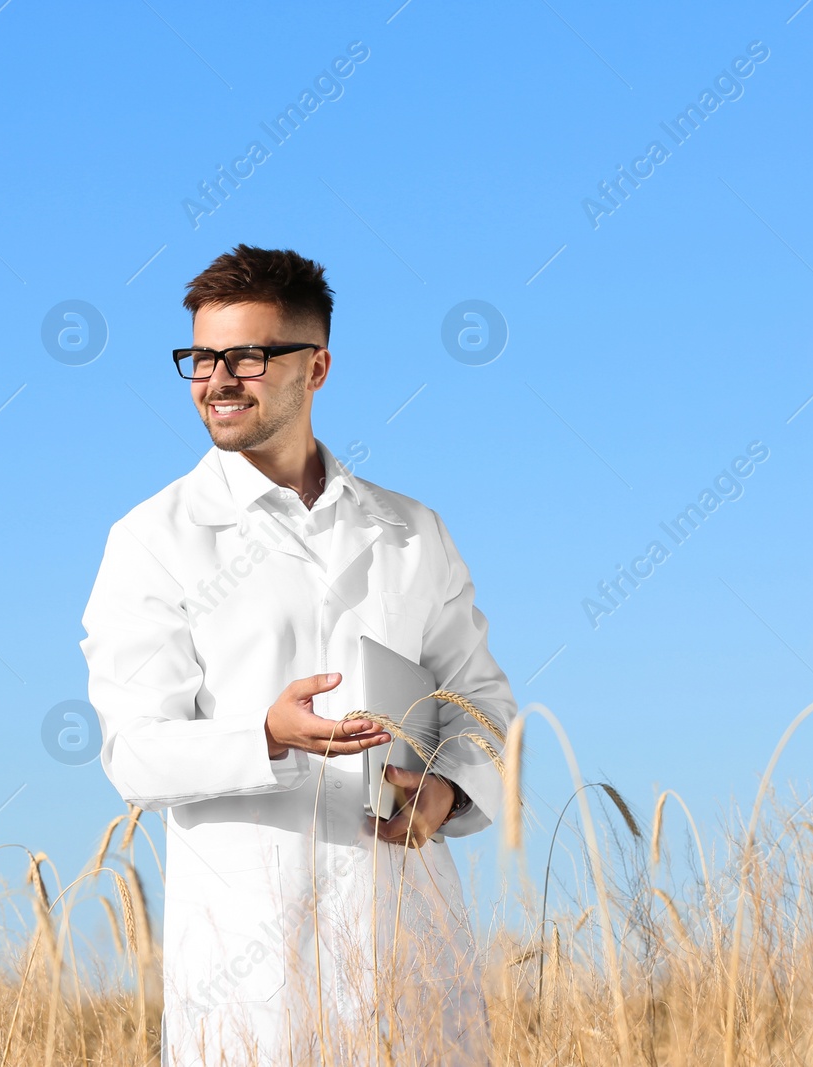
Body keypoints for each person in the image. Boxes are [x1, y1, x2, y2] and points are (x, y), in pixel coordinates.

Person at [78, 243, 517, 1066]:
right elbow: (133, 750)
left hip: (404, 937)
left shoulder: (411, 531)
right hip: (247, 969)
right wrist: (267, 735)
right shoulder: (153, 540)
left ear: (315, 368)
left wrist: (448, 792)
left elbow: (484, 700)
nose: (217, 380)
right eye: (201, 357)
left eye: (247, 355)